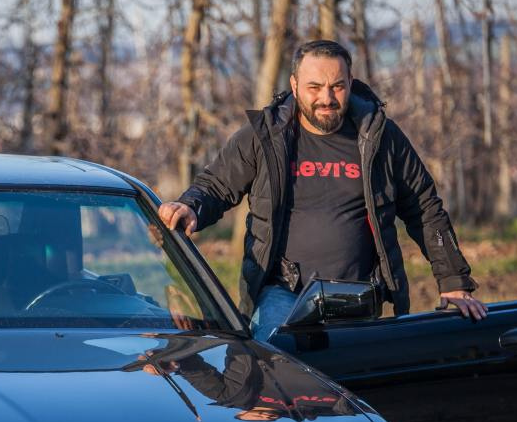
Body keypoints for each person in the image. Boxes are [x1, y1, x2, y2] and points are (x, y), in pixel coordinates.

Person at [158, 39, 487, 341]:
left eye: (337, 87)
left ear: (350, 82)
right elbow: (215, 185)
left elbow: (425, 209)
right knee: (275, 368)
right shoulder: (265, 137)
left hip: (357, 296)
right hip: (283, 293)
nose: (326, 99)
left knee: (354, 382)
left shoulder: (381, 138)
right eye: (314, 87)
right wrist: (190, 206)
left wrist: (454, 281)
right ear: (294, 85)